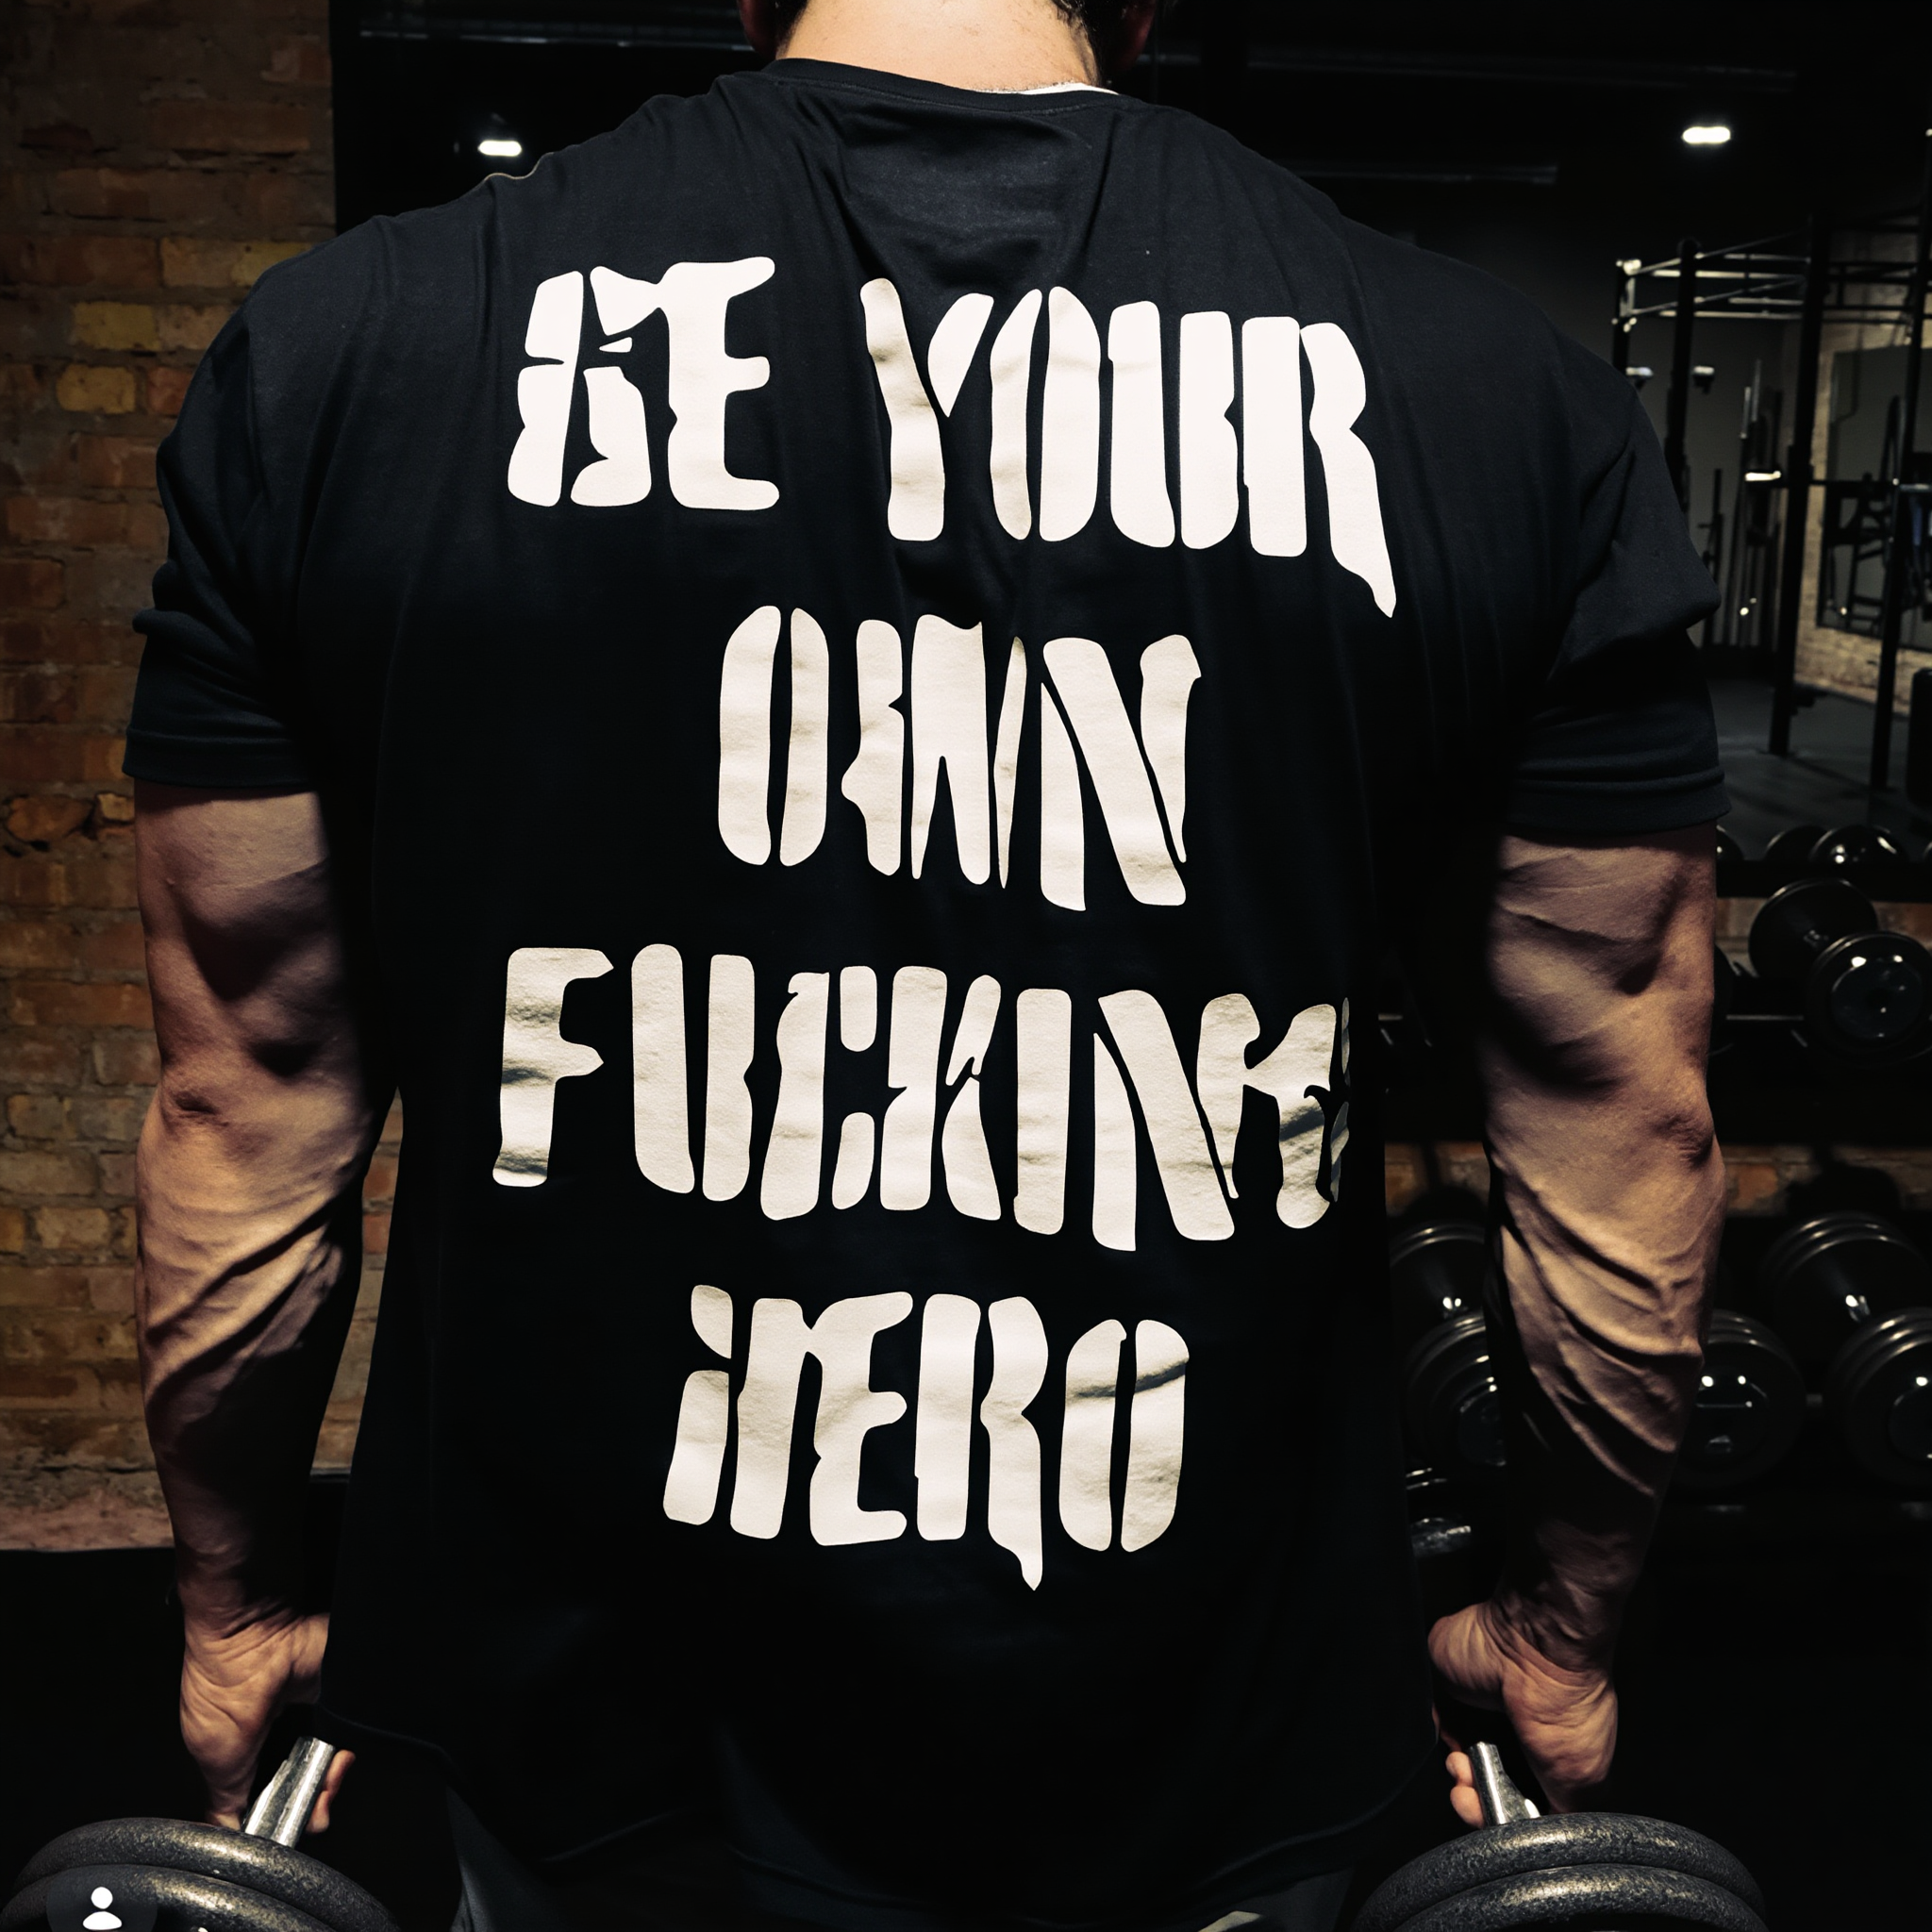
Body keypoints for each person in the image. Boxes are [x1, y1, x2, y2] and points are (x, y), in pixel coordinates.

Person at [126, 0, 1727, 1928]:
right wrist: (1558, 1627)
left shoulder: (351, 354)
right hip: (1203, 1734)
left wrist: (234, 1605)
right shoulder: (1494, 398)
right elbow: (1616, 1117)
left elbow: (248, 1096)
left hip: (584, 1734)